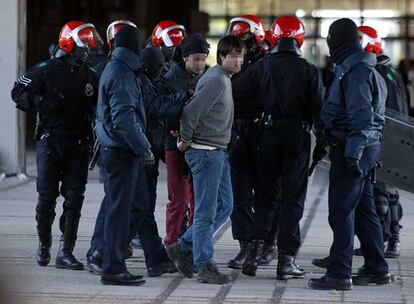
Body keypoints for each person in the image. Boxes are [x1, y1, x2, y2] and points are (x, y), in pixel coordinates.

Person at [232, 16, 324, 280]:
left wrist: (254, 117)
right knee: (292, 200)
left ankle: (254, 251)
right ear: (299, 39)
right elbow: (320, 113)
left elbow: (235, 92)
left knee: (265, 197)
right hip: (297, 139)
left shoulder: (261, 67)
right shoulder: (308, 70)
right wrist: (324, 144)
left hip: (267, 136)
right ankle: (286, 260)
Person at [11, 21, 101, 270]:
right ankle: (44, 243)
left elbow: (98, 109)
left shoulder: (89, 74)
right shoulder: (44, 70)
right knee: (47, 198)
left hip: (78, 145)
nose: (89, 46)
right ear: (69, 42)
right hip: (50, 142)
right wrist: (40, 102)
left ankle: (66, 251)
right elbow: (17, 91)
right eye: (84, 40)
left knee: (74, 198)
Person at [308, 18, 390, 291]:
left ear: (338, 41)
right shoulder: (362, 69)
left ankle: (339, 273)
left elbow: (362, 118)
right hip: (361, 149)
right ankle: (377, 268)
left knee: (342, 211)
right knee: (364, 210)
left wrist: (352, 155)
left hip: (352, 151)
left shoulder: (356, 73)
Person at [167, 35, 245, 285]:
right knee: (206, 213)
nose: (237, 60)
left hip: (217, 151)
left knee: (225, 205)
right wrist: (185, 141)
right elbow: (191, 111)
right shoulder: (216, 81)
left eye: (240, 55)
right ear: (221, 57)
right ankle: (204, 264)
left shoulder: (223, 78)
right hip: (205, 152)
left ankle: (183, 246)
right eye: (232, 55)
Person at [94, 25, 153, 286]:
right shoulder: (123, 72)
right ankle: (113, 268)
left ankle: (110, 261)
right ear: (135, 47)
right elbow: (124, 119)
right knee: (119, 211)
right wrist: (144, 148)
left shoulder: (116, 66)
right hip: (121, 150)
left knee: (128, 207)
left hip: (117, 149)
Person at [226, 15, 278, 269]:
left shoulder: (268, 62)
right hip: (238, 133)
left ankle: (267, 243)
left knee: (266, 192)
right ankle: (246, 244)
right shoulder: (234, 62)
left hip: (262, 132)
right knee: (240, 193)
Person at [161, 34, 210, 247]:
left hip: (200, 145)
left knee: (197, 200)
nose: (200, 63)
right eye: (196, 58)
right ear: (185, 57)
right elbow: (163, 110)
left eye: (203, 58)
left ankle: (190, 245)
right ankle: (172, 243)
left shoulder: (207, 78)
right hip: (175, 147)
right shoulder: (169, 80)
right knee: (178, 199)